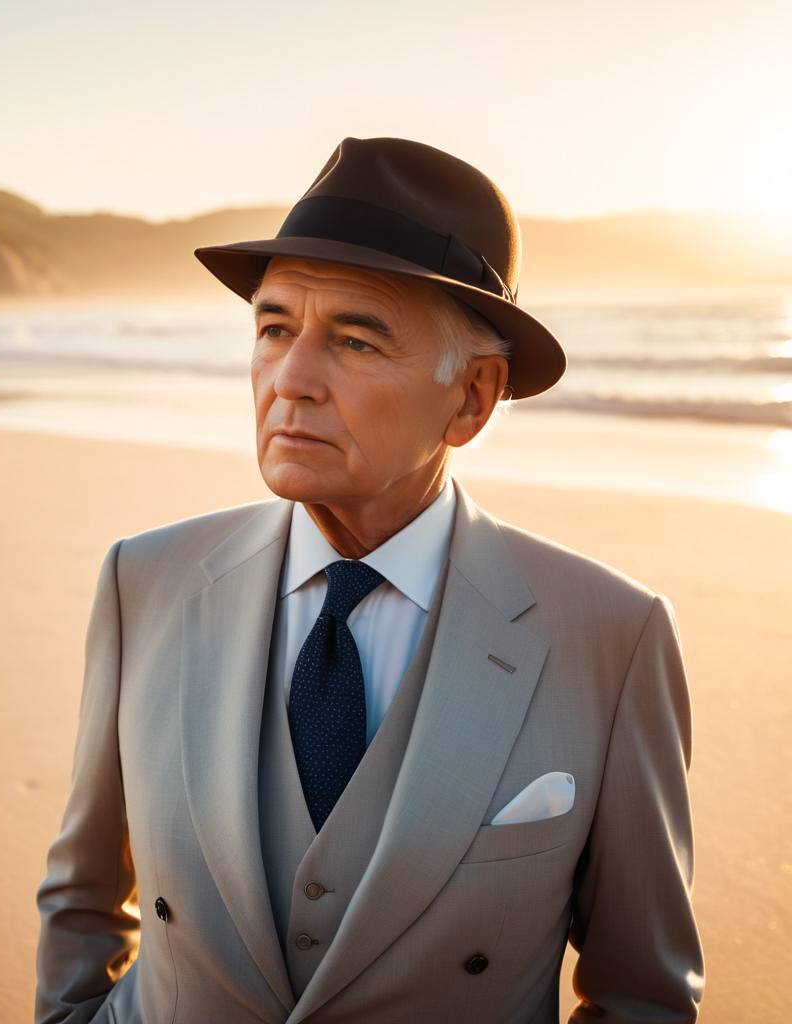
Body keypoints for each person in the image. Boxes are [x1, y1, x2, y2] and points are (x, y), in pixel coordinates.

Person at [34, 137, 704, 1023]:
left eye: (354, 339)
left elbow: (642, 994)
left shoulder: (609, 638)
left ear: (471, 397)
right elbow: (83, 898)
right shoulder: (144, 582)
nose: (292, 381)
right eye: (275, 328)